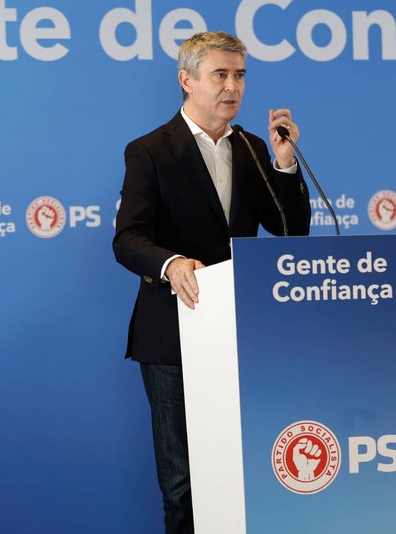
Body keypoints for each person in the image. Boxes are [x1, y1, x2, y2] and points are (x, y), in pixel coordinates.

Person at [112, 31, 311, 533]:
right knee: (183, 486)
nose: (232, 87)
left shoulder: (251, 147)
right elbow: (129, 238)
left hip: (241, 333)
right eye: (220, 74)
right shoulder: (150, 151)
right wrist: (172, 262)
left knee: (241, 473)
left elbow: (289, 231)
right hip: (172, 335)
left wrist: (284, 164)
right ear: (187, 80)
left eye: (240, 75)